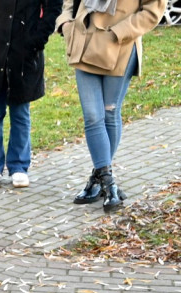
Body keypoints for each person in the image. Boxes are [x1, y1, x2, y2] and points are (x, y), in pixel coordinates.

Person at [56, 0, 165, 211]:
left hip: (120, 46)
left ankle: (98, 180)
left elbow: (153, 11)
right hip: (84, 43)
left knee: (109, 114)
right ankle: (107, 182)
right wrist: (66, 23)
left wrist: (117, 32)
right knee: (92, 116)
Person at [0, 0, 58, 190]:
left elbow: (53, 7)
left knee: (20, 111)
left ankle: (19, 165)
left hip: (24, 53)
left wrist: (37, 40)